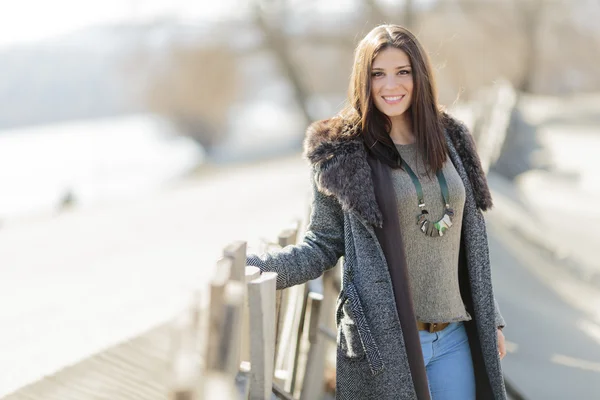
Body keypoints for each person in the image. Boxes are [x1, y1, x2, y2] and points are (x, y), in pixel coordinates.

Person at [247, 24, 507, 400]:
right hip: (386, 346)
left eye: (403, 72)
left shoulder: (451, 138)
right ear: (362, 80)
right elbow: (321, 243)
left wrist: (491, 318)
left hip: (454, 337)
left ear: (419, 75)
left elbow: (470, 243)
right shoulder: (343, 153)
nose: (391, 85)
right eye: (377, 74)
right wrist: (260, 267)